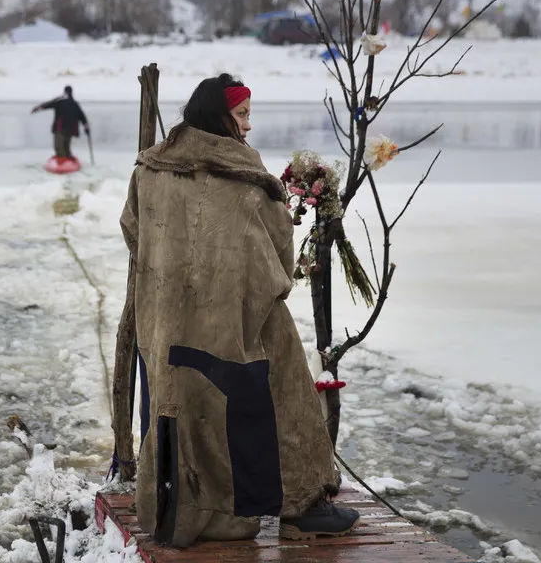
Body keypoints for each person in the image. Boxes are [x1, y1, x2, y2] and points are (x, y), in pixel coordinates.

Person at [119, 73, 361, 547]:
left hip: (166, 320)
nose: (248, 127)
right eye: (243, 115)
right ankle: (298, 503)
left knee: (179, 407)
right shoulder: (247, 178)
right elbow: (279, 253)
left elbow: (133, 230)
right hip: (235, 317)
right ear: (220, 117)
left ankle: (179, 505)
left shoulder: (148, 170)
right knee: (281, 396)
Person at [30, 85, 89, 160]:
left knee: (58, 147)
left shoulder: (59, 101)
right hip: (70, 130)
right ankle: (68, 160)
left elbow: (47, 104)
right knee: (66, 146)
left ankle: (62, 162)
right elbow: (82, 116)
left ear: (64, 91)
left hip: (60, 129)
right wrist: (86, 126)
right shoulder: (75, 103)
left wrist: (37, 108)